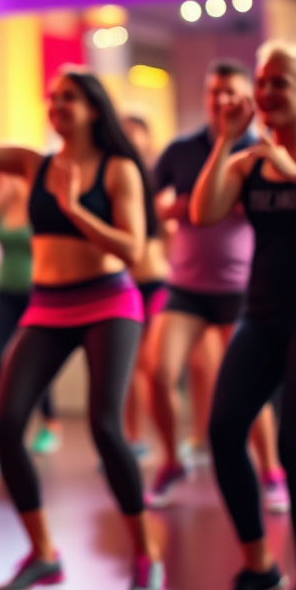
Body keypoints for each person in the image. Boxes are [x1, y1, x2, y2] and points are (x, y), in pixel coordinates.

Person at [0, 20, 164, 590]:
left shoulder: (118, 170)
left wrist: (71, 206)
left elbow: (133, 250)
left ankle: (146, 554)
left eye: (69, 97)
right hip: (48, 304)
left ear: (93, 109)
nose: (57, 105)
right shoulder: (33, 164)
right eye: (53, 97)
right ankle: (42, 552)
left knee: (106, 427)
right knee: (7, 421)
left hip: (110, 300)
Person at [194, 41, 296, 590]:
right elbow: (204, 212)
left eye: (279, 82)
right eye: (261, 82)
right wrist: (228, 141)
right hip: (263, 314)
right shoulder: (246, 161)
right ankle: (258, 567)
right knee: (225, 431)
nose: (265, 93)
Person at [147, 61, 286, 512]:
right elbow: (149, 204)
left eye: (230, 92)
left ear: (245, 99)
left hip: (239, 289)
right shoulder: (182, 149)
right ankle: (171, 462)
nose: (221, 101)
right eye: (214, 92)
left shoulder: (259, 151)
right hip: (186, 285)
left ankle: (270, 472)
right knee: (159, 373)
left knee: (252, 386)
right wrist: (176, 209)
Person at [0, 172, 60, 453]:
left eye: (11, 176)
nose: (7, 182)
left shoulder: (37, 205)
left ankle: (49, 424)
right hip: (5, 292)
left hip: (37, 293)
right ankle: (14, 415)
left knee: (38, 361)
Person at [119, 114, 169, 458]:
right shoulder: (113, 179)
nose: (132, 139)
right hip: (125, 286)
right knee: (130, 367)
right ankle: (133, 438)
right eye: (126, 134)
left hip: (158, 282)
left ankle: (174, 441)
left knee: (157, 367)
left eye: (138, 134)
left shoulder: (155, 184)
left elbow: (169, 234)